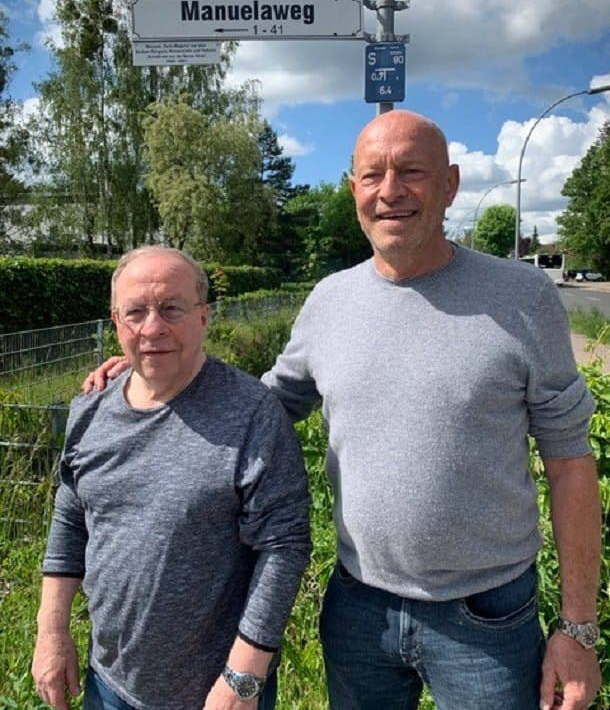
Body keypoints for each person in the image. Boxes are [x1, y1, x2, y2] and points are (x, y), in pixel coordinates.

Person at [84, 111, 603, 710]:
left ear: (451, 184)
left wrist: (578, 627)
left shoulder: (523, 297)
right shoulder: (330, 301)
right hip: (359, 609)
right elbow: (262, 406)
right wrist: (156, 370)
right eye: (372, 175)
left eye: (412, 172)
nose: (390, 192)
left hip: (488, 614)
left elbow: (569, 463)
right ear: (353, 188)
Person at [32, 246, 311, 710]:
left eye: (171, 309)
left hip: (217, 691)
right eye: (135, 312)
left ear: (203, 316)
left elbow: (283, 546)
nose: (152, 327)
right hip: (109, 684)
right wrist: (51, 631)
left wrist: (243, 676)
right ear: (116, 321)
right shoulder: (89, 410)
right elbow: (71, 518)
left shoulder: (251, 414)